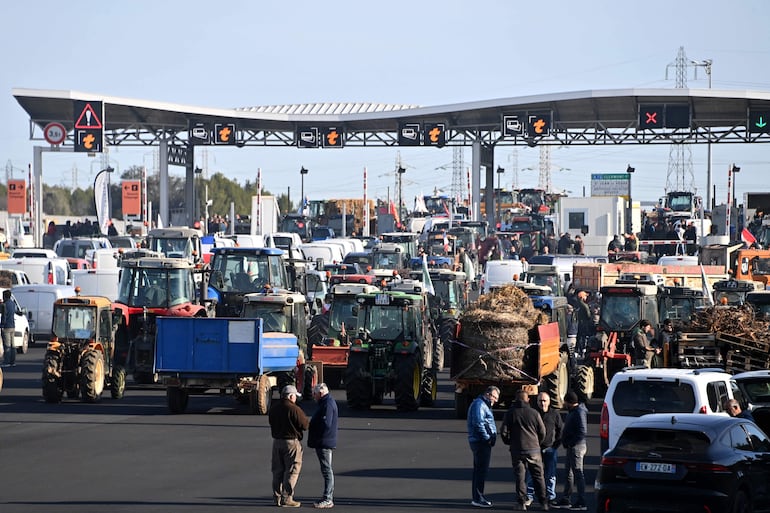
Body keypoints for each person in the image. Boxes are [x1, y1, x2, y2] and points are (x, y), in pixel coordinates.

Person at [501, 388, 548, 511]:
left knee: (520, 477)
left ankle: (521, 503)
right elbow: (542, 431)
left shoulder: (510, 413)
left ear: (515, 399)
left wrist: (509, 442)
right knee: (538, 477)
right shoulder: (534, 413)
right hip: (534, 449)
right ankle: (544, 502)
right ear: (527, 399)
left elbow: (504, 432)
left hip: (517, 450)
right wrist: (538, 443)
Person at [269, 385, 310, 508]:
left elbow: (271, 422)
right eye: (295, 396)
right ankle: (287, 498)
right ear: (291, 396)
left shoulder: (274, 408)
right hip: (291, 443)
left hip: (277, 442)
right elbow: (305, 425)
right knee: (292, 470)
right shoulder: (294, 409)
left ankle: (277, 497)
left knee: (277, 471)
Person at [526, 392, 563, 507]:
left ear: (549, 401)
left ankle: (550, 497)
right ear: (537, 402)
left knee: (550, 474)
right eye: (540, 401)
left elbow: (560, 430)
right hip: (535, 449)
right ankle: (529, 496)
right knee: (532, 473)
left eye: (544, 401)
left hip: (549, 449)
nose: (542, 403)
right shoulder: (533, 413)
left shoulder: (554, 414)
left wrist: (555, 446)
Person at [553, 391, 587, 511]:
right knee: (569, 473)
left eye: (565, 402)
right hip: (571, 447)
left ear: (570, 402)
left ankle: (581, 501)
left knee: (578, 473)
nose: (564, 404)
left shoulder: (579, 413)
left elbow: (582, 431)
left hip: (576, 447)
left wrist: (572, 443)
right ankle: (566, 499)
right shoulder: (574, 411)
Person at [467, 386, 499, 508]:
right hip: (480, 442)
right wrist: (487, 438)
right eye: (494, 397)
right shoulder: (479, 405)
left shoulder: (482, 405)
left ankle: (478, 497)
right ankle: (478, 498)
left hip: (480, 441)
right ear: (487, 394)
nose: (495, 400)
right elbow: (478, 423)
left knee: (479, 471)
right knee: (481, 471)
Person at [308, 383, 338, 509]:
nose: (313, 397)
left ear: (320, 394)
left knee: (327, 470)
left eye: (314, 394)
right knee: (326, 470)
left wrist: (317, 433)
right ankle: (327, 497)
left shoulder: (327, 405)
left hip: (324, 442)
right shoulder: (326, 403)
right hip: (324, 441)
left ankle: (328, 498)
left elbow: (326, 424)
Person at [1, 290, 15, 367]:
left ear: (5, 296)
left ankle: (7, 361)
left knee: (7, 345)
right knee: (13, 345)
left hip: (6, 326)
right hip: (12, 325)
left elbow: (4, 316)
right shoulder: (13, 304)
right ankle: (12, 361)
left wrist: (2, 325)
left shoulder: (4, 305)